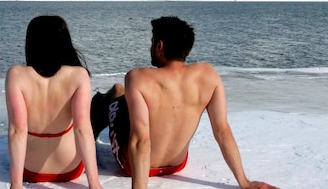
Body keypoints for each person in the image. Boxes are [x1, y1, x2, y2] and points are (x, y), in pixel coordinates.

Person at [91, 16, 279, 189]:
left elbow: (141, 140)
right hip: (177, 164)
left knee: (117, 94)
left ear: (160, 45)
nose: (150, 47)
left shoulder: (138, 77)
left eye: (151, 42)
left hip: (132, 166)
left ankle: (88, 133)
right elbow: (222, 131)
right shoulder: (208, 75)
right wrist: (244, 182)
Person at [5, 15, 103, 189]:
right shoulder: (78, 75)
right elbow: (83, 129)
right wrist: (94, 184)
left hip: (31, 170)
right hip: (70, 168)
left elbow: (16, 130)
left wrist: (16, 185)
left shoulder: (16, 75)